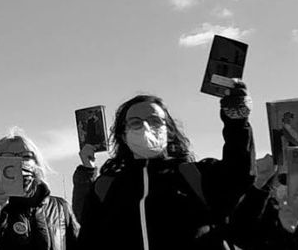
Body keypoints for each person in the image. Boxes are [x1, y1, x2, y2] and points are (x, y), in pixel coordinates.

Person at [73, 85, 253, 250]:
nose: (145, 127)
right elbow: (89, 241)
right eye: (135, 122)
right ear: (123, 134)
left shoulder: (196, 174)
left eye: (154, 121)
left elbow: (239, 173)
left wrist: (236, 121)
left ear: (168, 130)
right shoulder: (106, 186)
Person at [0, 130, 76, 250]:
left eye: (26, 156)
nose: (19, 162)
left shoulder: (59, 208)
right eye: (8, 157)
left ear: (37, 163)